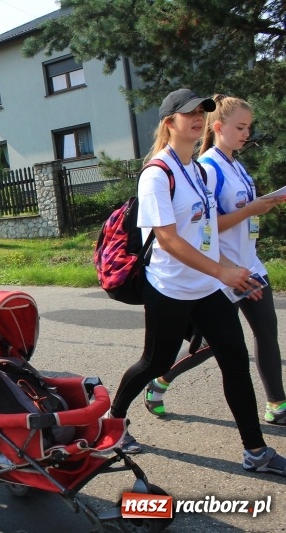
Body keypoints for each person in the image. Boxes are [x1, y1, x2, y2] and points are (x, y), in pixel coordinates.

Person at [108, 88, 286, 477]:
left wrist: (235, 274)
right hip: (169, 288)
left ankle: (255, 451)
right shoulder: (157, 172)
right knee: (155, 360)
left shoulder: (199, 170)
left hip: (206, 287)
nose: (198, 118)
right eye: (189, 113)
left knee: (235, 361)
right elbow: (169, 239)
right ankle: (113, 422)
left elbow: (204, 233)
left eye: (202, 112)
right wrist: (222, 272)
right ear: (170, 122)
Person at [144, 95, 286, 424]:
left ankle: (277, 404)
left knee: (266, 330)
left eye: (249, 127)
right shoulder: (207, 167)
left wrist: (266, 201)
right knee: (208, 345)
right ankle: (159, 382)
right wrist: (250, 213)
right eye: (240, 127)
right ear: (219, 128)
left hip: (249, 264)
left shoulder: (235, 164)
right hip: (220, 270)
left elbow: (238, 211)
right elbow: (205, 226)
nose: (246, 133)